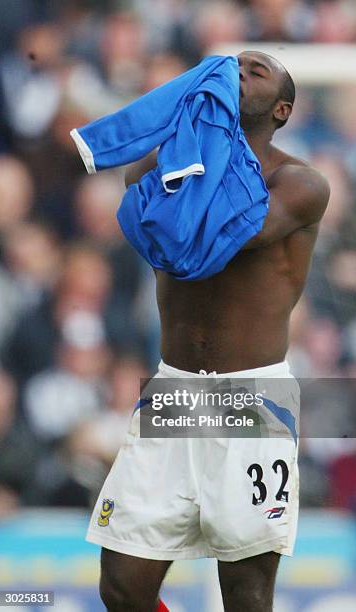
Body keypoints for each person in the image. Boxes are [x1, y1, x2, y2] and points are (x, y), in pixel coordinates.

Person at [87, 51, 330, 612]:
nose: (236, 73)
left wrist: (189, 144)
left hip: (252, 400)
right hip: (173, 392)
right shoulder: (157, 166)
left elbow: (212, 237)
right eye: (232, 66)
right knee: (122, 587)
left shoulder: (300, 185)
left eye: (256, 72)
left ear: (283, 109)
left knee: (245, 596)